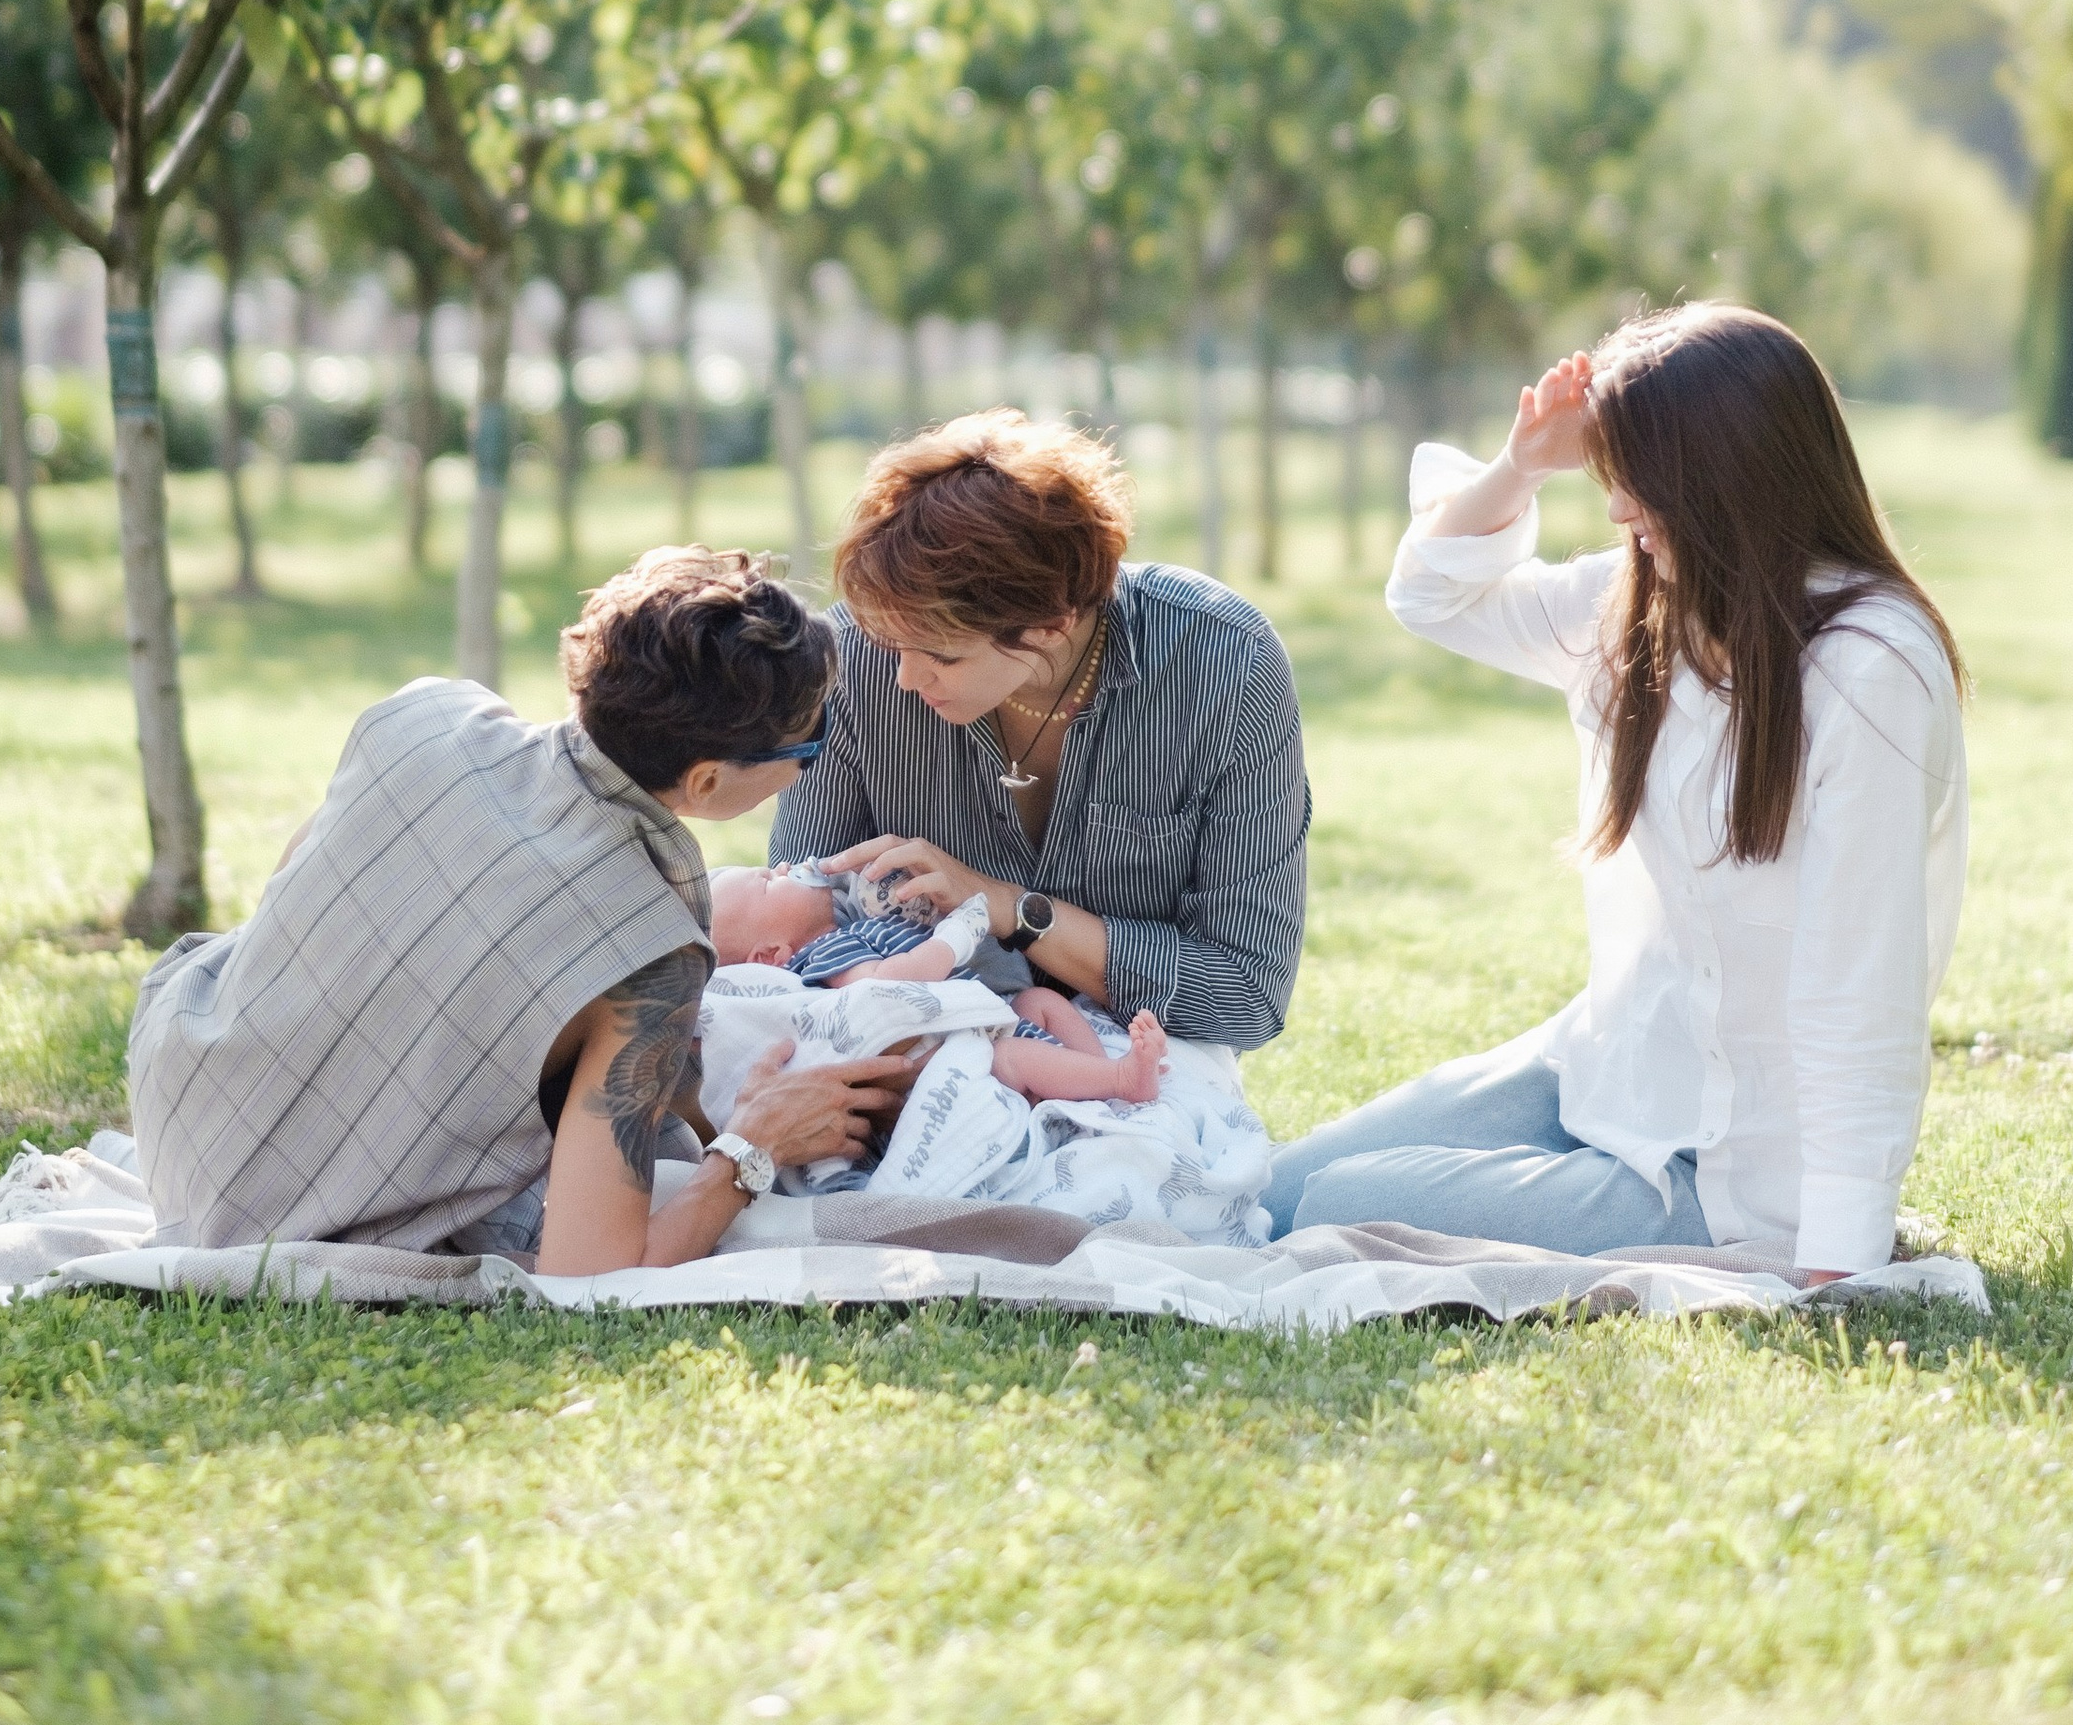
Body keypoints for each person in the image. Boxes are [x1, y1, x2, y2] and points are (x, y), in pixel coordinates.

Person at [1266, 305, 1968, 1282]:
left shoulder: (1871, 666)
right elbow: (1428, 595)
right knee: (1275, 1188)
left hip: (1719, 1168)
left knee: (1335, 1207)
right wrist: (1522, 464)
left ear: (1729, 473)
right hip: (1608, 1064)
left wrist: (1838, 1256)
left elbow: (1861, 983)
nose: (1615, 509)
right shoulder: (1642, 603)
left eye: (1636, 476)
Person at [128, 546, 921, 1277]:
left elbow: (290, 911)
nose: (810, 761)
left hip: (181, 1103)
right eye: (807, 749)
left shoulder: (425, 717)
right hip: (286, 1221)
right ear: (708, 782)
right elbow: (589, 1273)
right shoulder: (650, 952)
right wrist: (753, 1149)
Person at [774, 409, 1310, 1053]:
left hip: (1147, 1065)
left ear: (1052, 625)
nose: (903, 680)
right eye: (892, 645)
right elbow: (798, 932)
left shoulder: (1223, 666)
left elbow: (1245, 994)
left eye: (941, 655)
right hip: (913, 1046)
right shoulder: (856, 662)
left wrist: (1009, 908)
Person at [708, 863, 1173, 1102]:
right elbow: (888, 982)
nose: (786, 867)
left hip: (990, 1022)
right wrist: (953, 939)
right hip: (964, 1053)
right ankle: (1120, 1080)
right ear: (772, 955)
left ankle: (1093, 1080)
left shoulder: (852, 928)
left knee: (1040, 999)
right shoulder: (822, 955)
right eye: (769, 881)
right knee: (1016, 1055)